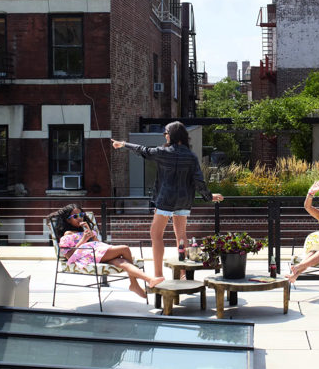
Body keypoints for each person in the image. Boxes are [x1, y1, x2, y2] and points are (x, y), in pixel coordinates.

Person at [111, 122, 224, 278]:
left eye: (166, 132)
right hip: (184, 200)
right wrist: (209, 196)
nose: (164, 135)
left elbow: (143, 150)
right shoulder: (191, 156)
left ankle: (158, 275)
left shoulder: (163, 152)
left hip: (166, 199)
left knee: (155, 234)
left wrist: (123, 144)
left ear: (172, 134)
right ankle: (183, 273)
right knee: (181, 235)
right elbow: (199, 180)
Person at [49, 204, 164, 298]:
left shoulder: (85, 230)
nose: (79, 218)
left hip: (98, 252)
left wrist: (90, 234)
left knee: (122, 262)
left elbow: (96, 242)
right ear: (68, 221)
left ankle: (148, 280)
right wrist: (83, 240)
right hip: (88, 256)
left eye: (81, 215)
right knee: (124, 249)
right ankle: (134, 283)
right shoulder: (68, 234)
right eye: (75, 216)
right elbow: (69, 256)